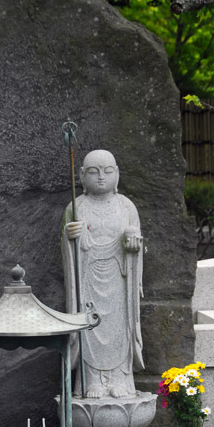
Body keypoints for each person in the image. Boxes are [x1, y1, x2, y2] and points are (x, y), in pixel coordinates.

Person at [62, 149, 144, 399]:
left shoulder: (126, 206)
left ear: (117, 175)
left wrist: (133, 244)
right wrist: (70, 237)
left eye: (107, 172)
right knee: (90, 328)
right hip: (88, 280)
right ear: (82, 176)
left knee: (118, 328)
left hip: (119, 281)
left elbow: (137, 241)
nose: (101, 178)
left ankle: (120, 378)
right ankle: (92, 381)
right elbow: (66, 246)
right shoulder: (77, 206)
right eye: (94, 172)